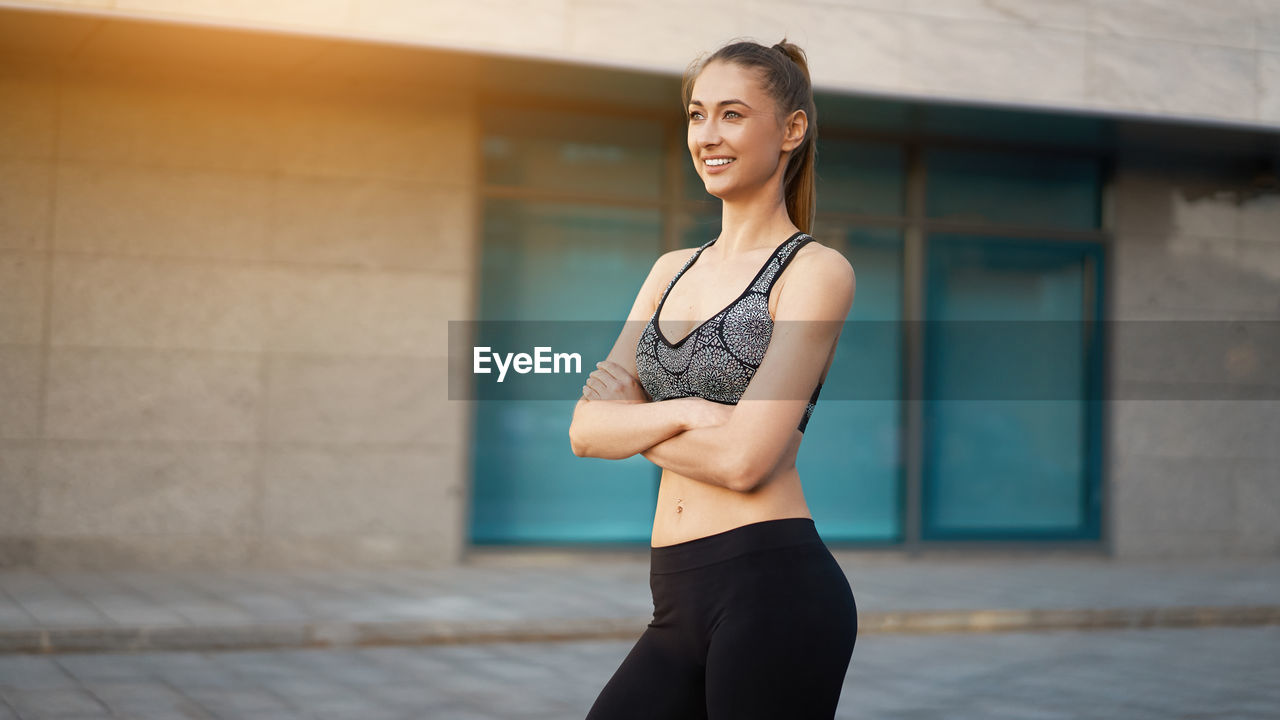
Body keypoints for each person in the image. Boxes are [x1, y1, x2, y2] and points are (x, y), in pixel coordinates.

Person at [568, 37, 857, 720]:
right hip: (676, 600)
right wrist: (698, 413)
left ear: (791, 129)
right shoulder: (670, 269)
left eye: (732, 114)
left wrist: (636, 421)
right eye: (697, 115)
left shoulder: (814, 273)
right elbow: (583, 430)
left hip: (774, 590)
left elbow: (745, 461)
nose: (708, 135)